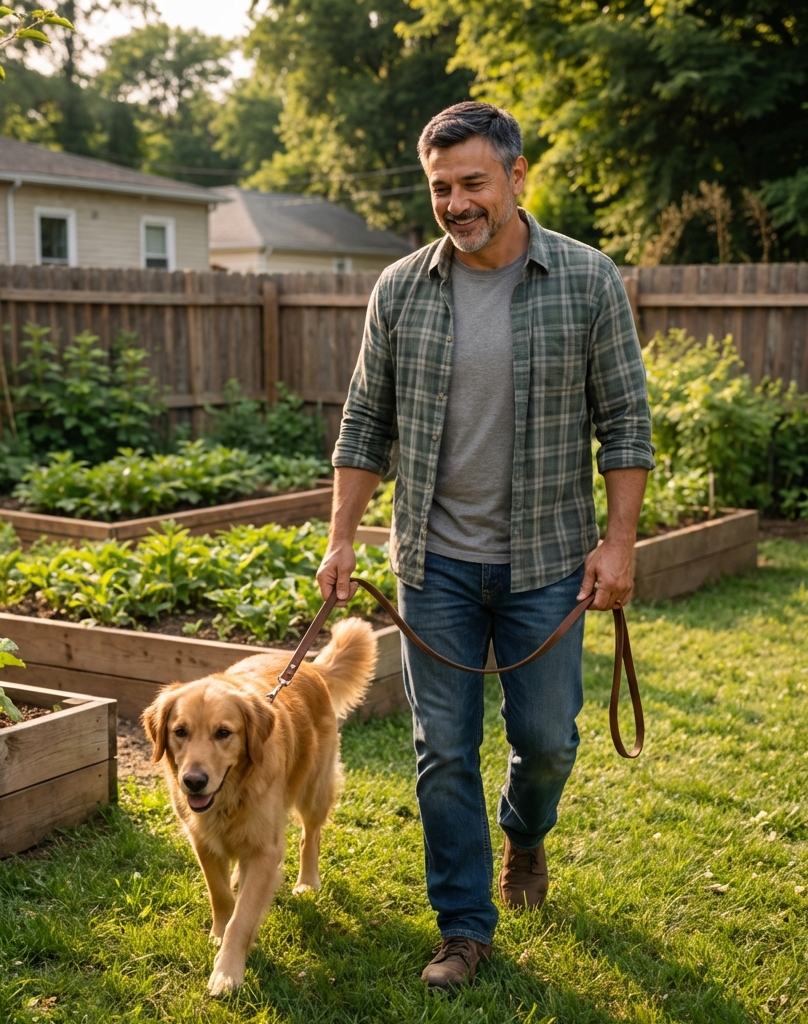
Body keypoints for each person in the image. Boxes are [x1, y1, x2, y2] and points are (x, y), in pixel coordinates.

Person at [316, 101, 654, 990]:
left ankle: (526, 831)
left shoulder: (586, 279)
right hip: (435, 564)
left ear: (516, 176)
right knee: (442, 750)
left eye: (472, 183)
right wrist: (343, 537)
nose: (457, 203)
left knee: (546, 740)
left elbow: (625, 423)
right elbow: (365, 422)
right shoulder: (400, 289)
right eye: (441, 188)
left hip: (550, 560)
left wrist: (619, 546)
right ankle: (464, 928)